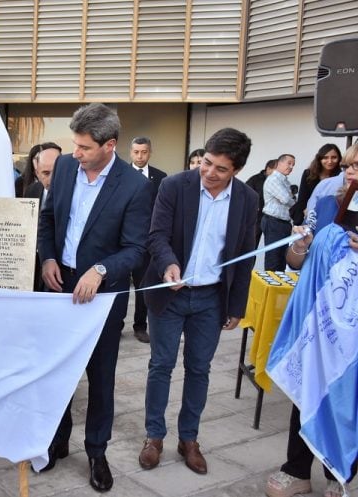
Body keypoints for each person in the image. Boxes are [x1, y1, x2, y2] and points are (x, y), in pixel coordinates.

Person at [36, 103, 152, 492]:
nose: (76, 153)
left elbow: (136, 249)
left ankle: (97, 452)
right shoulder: (67, 168)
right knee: (58, 372)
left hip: (102, 298)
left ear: (110, 145)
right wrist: (49, 256)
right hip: (59, 286)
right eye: (75, 145)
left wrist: (101, 270)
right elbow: (49, 218)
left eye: (84, 147)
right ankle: (57, 442)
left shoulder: (135, 187)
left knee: (100, 378)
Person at [138, 127, 257, 476]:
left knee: (199, 369)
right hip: (170, 294)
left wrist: (237, 306)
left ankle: (188, 438)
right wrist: (169, 264)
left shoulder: (247, 199)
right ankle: (154, 436)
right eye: (207, 162)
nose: (209, 172)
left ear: (235, 170)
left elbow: (245, 256)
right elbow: (156, 235)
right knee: (161, 365)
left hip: (210, 298)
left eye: (220, 168)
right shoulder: (175, 185)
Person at [265, 158, 358, 497]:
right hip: (320, 322)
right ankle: (296, 469)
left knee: (349, 398)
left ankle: (339, 473)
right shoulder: (329, 203)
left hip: (354, 332)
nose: (349, 173)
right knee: (307, 388)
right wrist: (300, 246)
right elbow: (297, 261)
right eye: (349, 166)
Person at [129, 137, 167, 343]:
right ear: (131, 152)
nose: (140, 156)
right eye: (136, 152)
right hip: (121, 241)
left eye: (144, 152)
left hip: (146, 243)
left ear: (149, 152)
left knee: (143, 285)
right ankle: (114, 324)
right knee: (118, 286)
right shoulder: (120, 174)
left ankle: (140, 326)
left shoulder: (161, 178)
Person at [25, 146, 61, 291]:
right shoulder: (32, 190)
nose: (51, 178)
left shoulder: (72, 193)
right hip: (33, 263)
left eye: (56, 172)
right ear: (37, 173)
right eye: (46, 173)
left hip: (59, 267)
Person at [288, 144, 342, 226]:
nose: (330, 161)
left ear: (339, 159)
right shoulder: (308, 174)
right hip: (309, 218)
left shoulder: (340, 177)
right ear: (319, 159)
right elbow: (302, 199)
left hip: (331, 220)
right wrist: (297, 224)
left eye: (334, 157)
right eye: (325, 157)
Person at [262, 154, 296, 270]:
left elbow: (289, 198)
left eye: (293, 165)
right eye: (289, 163)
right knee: (273, 259)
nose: (291, 167)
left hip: (283, 223)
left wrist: (291, 198)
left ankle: (278, 287)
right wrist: (292, 199)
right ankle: (271, 288)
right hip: (274, 222)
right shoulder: (274, 179)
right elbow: (287, 199)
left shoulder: (285, 181)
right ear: (279, 163)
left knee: (281, 259)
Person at [245, 159, 277, 247]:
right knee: (252, 246)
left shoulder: (279, 181)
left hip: (272, 218)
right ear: (269, 168)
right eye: (276, 170)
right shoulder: (255, 179)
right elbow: (244, 195)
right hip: (256, 217)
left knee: (272, 247)